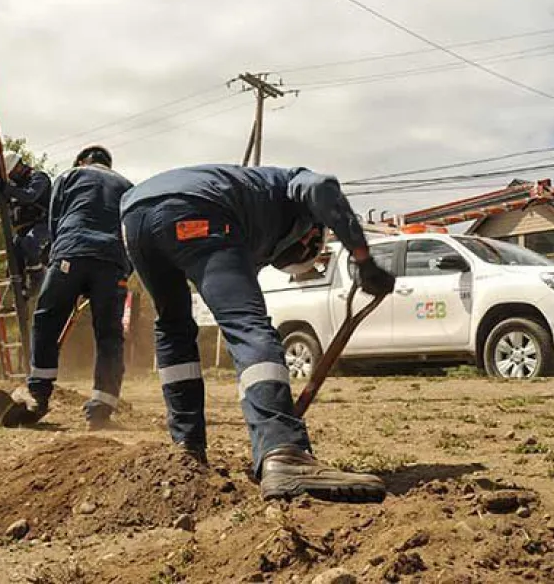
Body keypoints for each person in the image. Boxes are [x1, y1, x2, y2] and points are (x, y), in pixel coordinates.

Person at [120, 165, 397, 502]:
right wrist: (363, 259)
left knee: (173, 325)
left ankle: (187, 451)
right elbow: (323, 186)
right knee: (247, 324)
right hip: (198, 206)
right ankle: (284, 452)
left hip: (136, 216)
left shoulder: (253, 226)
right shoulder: (290, 185)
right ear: (310, 234)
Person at [13, 145, 134, 429]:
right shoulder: (127, 186)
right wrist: (123, 271)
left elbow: (54, 221)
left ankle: (38, 395)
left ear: (81, 161)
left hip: (70, 253)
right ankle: (101, 409)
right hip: (113, 262)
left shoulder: (69, 177)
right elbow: (133, 232)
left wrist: (60, 257)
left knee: (46, 321)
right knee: (109, 336)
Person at [0, 152, 51, 295]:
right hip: (24, 230)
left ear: (18, 167)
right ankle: (20, 292)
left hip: (45, 226)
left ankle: (38, 277)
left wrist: (7, 189)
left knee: (30, 243)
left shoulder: (39, 178)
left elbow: (30, 196)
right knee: (13, 255)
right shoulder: (14, 188)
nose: (10, 178)